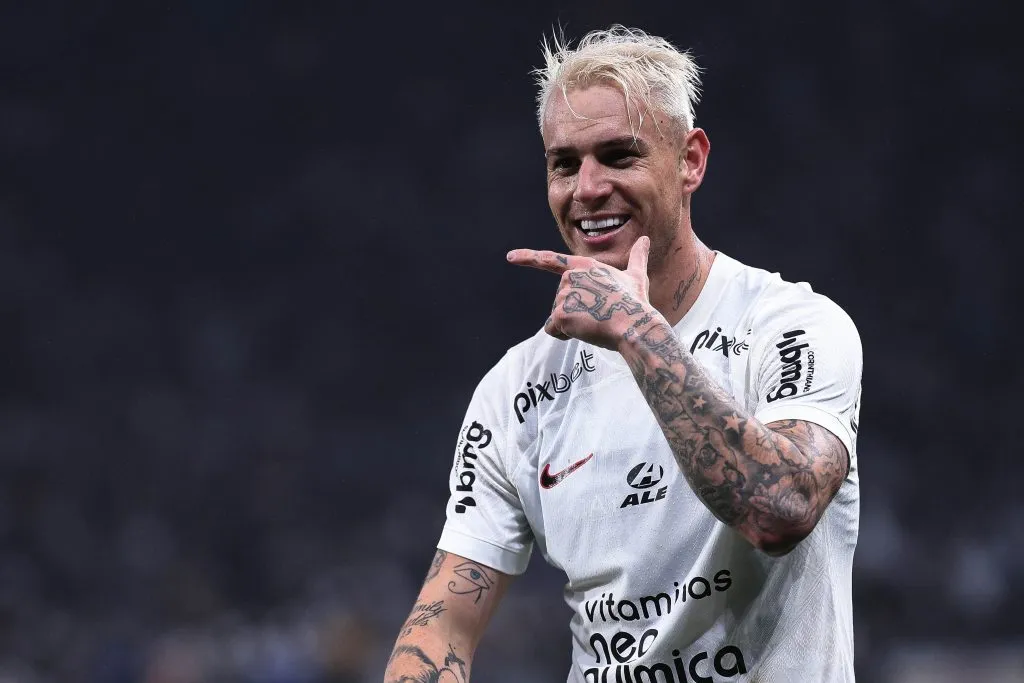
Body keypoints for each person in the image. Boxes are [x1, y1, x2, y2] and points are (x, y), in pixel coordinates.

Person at [383, 25, 863, 683]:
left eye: (619, 155)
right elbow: (443, 626)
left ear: (690, 160)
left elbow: (780, 507)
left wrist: (639, 333)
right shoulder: (518, 389)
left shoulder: (791, 328)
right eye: (564, 163)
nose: (587, 188)